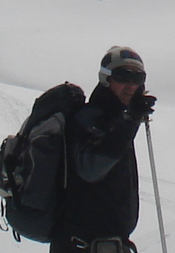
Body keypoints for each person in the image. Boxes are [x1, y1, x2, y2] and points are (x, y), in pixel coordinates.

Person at [52, 47, 157, 252]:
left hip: (108, 243)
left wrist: (129, 120)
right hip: (82, 244)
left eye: (137, 78)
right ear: (106, 78)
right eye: (123, 76)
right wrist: (129, 121)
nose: (130, 86)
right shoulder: (89, 117)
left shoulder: (117, 118)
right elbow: (91, 169)